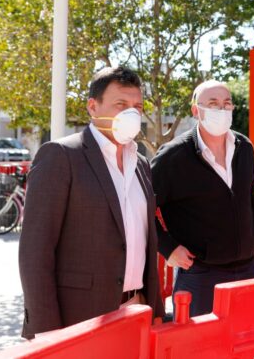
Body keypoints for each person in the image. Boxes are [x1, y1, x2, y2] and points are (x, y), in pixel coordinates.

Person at [18, 67, 164, 339]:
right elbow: (35, 251)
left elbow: (144, 240)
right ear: (93, 107)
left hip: (137, 310)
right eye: (121, 104)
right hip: (79, 319)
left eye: (137, 107)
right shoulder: (61, 156)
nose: (131, 114)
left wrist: (155, 308)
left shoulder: (142, 164)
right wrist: (47, 333)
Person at [151, 80, 254, 316]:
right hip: (200, 276)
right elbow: (143, 209)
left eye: (227, 103)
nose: (221, 109)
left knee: (247, 338)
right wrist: (168, 249)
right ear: (195, 110)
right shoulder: (173, 156)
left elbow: (252, 197)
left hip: (249, 270)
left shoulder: (244, 147)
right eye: (213, 104)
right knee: (200, 340)